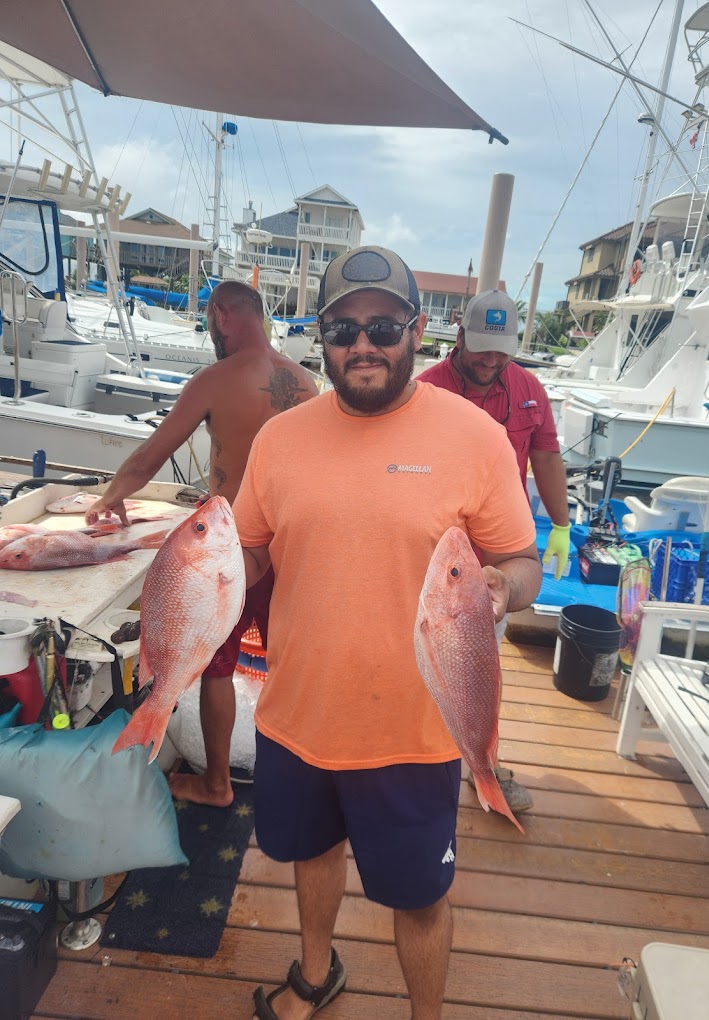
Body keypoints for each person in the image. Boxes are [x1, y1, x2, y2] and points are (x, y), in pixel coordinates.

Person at [233, 246, 541, 1020]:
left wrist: (505, 589)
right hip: (297, 712)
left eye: (381, 326)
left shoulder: (474, 437)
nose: (361, 344)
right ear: (321, 336)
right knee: (308, 854)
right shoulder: (280, 437)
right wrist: (196, 563)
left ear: (417, 329)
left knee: (420, 897)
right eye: (341, 328)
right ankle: (315, 972)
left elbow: (521, 558)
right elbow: (249, 550)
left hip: (416, 730)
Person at [85, 280, 318, 807]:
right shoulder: (307, 383)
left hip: (233, 553)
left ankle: (216, 784)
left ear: (221, 314)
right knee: (288, 663)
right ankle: (296, 779)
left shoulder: (215, 379)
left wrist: (108, 497)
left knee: (218, 665)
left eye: (212, 320)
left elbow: (150, 458)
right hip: (292, 550)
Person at [418, 288, 571, 816]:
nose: (490, 360)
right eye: (481, 347)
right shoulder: (425, 389)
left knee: (482, 670)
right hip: (437, 562)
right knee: (423, 666)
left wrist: (562, 526)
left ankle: (484, 763)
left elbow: (547, 456)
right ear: (459, 337)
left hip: (496, 559)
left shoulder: (529, 388)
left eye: (500, 349)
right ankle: (421, 761)